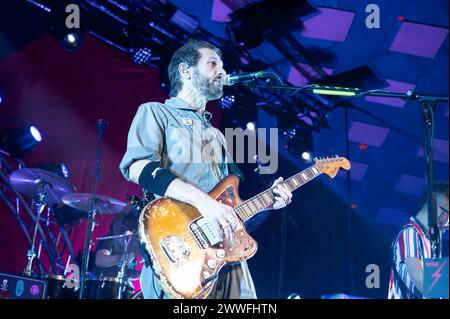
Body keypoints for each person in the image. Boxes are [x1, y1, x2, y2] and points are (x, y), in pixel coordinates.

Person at [119, 39, 293, 299]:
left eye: (222, 65)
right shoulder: (156, 113)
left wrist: (270, 202)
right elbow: (137, 167)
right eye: (213, 63)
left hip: (226, 256)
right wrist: (204, 203)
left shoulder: (218, 137)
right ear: (186, 71)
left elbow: (229, 205)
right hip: (181, 253)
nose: (222, 71)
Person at [388, 180, 449, 299]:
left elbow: (437, 290)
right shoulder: (409, 233)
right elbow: (421, 280)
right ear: (435, 208)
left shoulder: (432, 241)